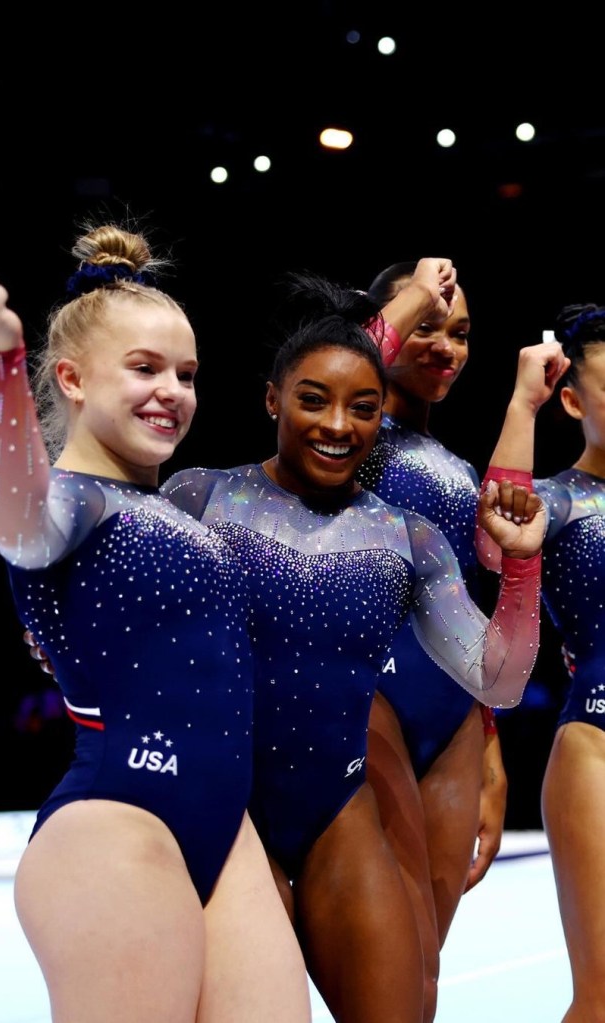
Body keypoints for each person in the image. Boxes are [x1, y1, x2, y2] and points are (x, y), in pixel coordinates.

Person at [0, 224, 312, 1023]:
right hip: (115, 827)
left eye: (186, 374)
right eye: (144, 368)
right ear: (70, 377)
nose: (172, 390)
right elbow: (15, 514)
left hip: (224, 832)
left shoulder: (173, 508)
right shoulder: (72, 501)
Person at [160, 274, 546, 1023]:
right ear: (272, 400)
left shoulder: (410, 539)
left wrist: (523, 566)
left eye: (363, 408)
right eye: (313, 400)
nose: (337, 425)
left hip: (338, 810)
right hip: (228, 812)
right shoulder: (200, 499)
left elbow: (497, 681)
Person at [358, 261, 568, 1021]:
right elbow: (350, 360)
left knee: (423, 975)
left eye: (460, 332)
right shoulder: (344, 432)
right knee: (380, 976)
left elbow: (493, 557)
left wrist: (487, 745)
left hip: (450, 717)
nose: (446, 347)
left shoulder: (449, 465)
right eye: (425, 325)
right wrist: (416, 291)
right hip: (367, 706)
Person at [532, 303, 605, 1023]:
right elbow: (492, 539)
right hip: (597, 752)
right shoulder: (553, 502)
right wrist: (521, 405)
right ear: (574, 401)